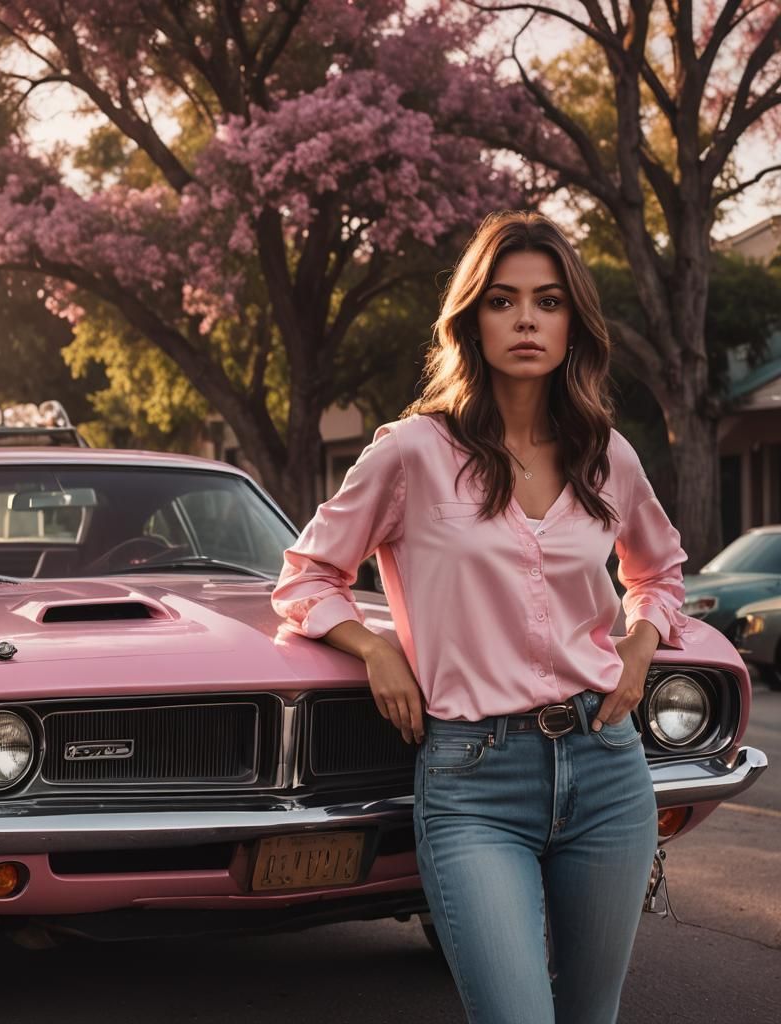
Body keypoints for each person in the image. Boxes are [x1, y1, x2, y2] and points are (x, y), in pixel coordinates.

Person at [270, 210, 688, 1024]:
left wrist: (640, 646)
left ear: (573, 323)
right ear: (472, 320)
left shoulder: (606, 454)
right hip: (474, 779)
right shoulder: (411, 452)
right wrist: (376, 649)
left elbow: (660, 571)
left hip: (607, 766)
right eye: (503, 301)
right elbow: (305, 576)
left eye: (548, 301)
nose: (527, 319)